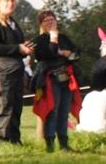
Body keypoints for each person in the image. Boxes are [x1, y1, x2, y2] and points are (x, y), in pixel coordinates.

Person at [0, 0, 33, 144]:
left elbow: (17, 45)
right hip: (0, 68)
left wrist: (25, 49)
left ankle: (14, 139)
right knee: (3, 105)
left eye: (12, 1)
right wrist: (18, 48)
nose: (9, 4)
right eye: (6, 1)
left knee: (16, 105)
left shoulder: (13, 23)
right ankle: (1, 141)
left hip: (16, 68)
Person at [30, 10, 82, 151]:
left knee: (64, 112)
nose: (50, 22)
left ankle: (64, 144)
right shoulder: (39, 41)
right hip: (50, 80)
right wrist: (54, 42)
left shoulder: (64, 38)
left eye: (52, 19)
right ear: (41, 24)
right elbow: (47, 54)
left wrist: (68, 53)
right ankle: (50, 145)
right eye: (46, 20)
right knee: (52, 110)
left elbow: (76, 52)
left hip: (66, 79)